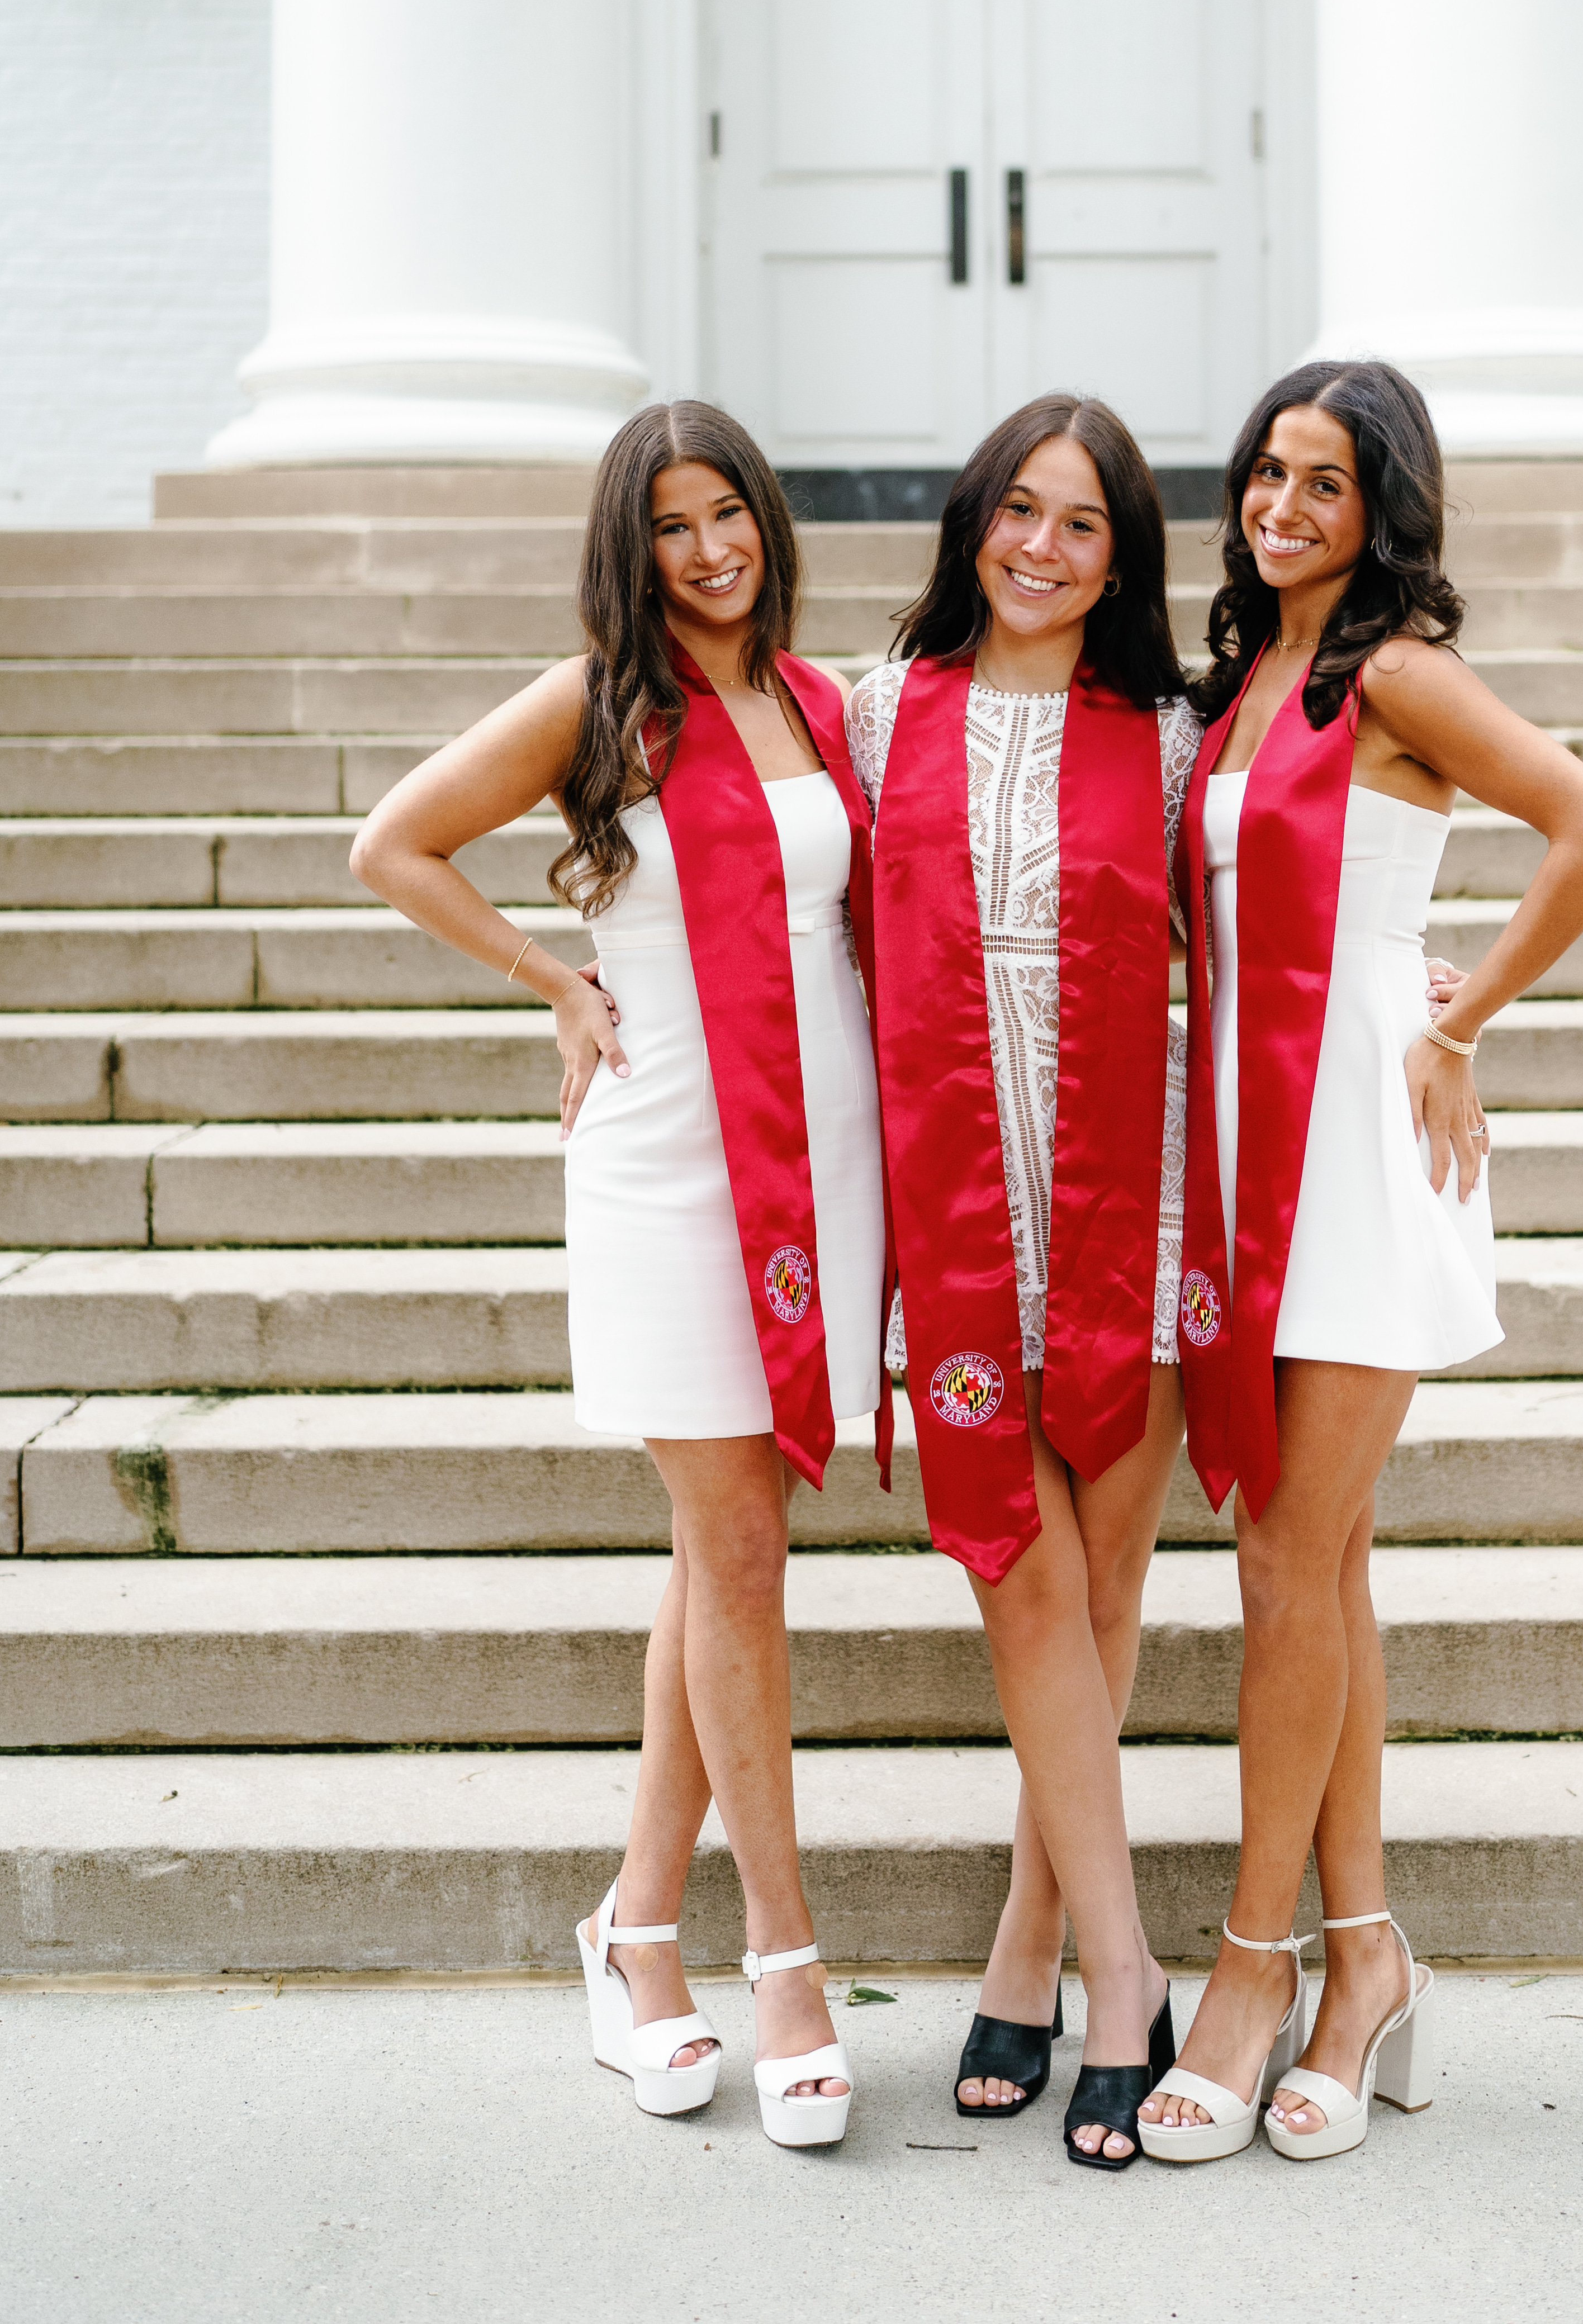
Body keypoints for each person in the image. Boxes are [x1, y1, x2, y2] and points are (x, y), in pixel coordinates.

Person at [349, 400, 883, 2150]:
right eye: (672, 527)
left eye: (731, 515)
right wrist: (557, 980)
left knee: (717, 1552)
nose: (711, 551)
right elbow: (396, 840)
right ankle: (782, 1959)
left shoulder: (816, 701)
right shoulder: (601, 703)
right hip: (669, 1164)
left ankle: (630, 1931)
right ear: (628, 548)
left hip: (825, 1162)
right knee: (737, 1553)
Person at [1140, 359, 1583, 2167]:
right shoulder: (1242, 680)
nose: (1285, 506)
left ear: (1383, 510)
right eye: (1269, 472)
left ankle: (1249, 1971)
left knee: (1285, 1556)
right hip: (1239, 1147)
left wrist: (1462, 1023)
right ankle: (1368, 1965)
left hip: (1362, 1143)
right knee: (1319, 1561)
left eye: (1327, 483)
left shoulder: (1397, 673)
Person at [846, 395, 1198, 2168]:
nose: (1042, 548)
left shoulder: (1180, 740)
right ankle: (1117, 1971)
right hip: (961, 1216)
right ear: (972, 519)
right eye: (1018, 511)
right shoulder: (867, 712)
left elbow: (1288, 912)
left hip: (1128, 1222)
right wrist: (573, 975)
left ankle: (1028, 1942)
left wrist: (1430, 981)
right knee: (1026, 1584)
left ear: (1122, 557)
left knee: (1105, 1592)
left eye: (1083, 525)